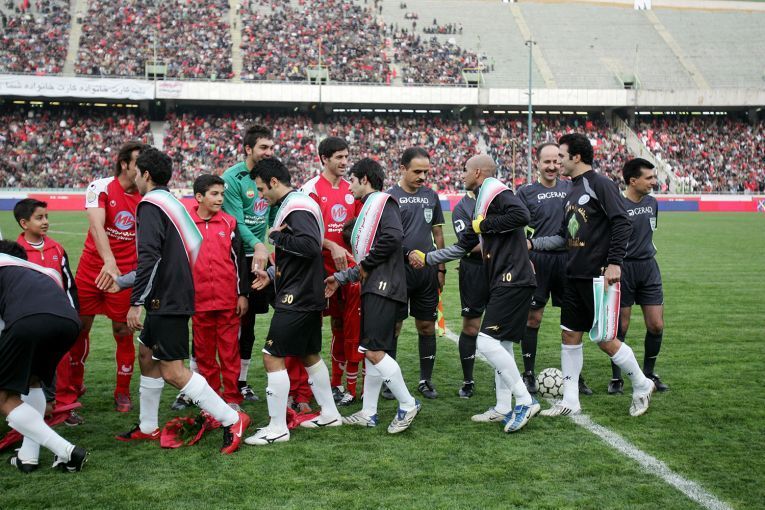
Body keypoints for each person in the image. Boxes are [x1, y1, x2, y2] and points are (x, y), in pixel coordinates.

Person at [116, 147, 249, 454]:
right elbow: (191, 246)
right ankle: (148, 427)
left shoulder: (151, 204)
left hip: (167, 298)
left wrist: (137, 301)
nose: (134, 178)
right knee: (147, 356)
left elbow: (150, 256)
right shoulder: (172, 203)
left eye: (136, 173)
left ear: (146, 174)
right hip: (171, 294)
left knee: (173, 370)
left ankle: (232, 419)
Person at [410, 154, 539, 433]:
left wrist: (485, 225)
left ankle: (525, 400)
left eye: (466, 170)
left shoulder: (497, 191)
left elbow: (522, 216)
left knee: (487, 341)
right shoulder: (482, 202)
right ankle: (503, 407)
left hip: (513, 279)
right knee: (502, 345)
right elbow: (461, 247)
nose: (462, 174)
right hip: (502, 280)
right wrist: (428, 258)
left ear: (478, 172)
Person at [531, 134, 656, 417]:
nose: (558, 162)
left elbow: (622, 222)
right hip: (573, 275)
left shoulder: (600, 184)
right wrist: (531, 243)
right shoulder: (572, 189)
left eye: (561, 156)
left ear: (576, 157)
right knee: (569, 335)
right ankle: (571, 401)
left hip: (597, 277)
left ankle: (641, 383)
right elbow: (564, 237)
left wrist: (614, 263)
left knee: (604, 339)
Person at [245, 158, 342, 446]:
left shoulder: (296, 207)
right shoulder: (296, 203)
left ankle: (277, 428)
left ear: (274, 182)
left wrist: (277, 237)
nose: (261, 195)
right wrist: (272, 274)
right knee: (309, 353)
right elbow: (298, 256)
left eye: (262, 189)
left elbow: (310, 247)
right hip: (306, 292)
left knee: (271, 355)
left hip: (298, 296)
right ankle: (330, 414)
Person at [325, 158, 422, 433]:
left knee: (374, 350)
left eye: (353, 181)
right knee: (370, 350)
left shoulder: (383, 203)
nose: (349, 187)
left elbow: (393, 238)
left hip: (384, 287)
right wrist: (341, 278)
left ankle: (408, 403)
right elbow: (371, 257)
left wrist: (365, 265)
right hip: (377, 286)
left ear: (364, 180)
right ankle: (368, 412)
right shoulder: (372, 207)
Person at [0, 240, 87, 473]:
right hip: (69, 323)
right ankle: (28, 457)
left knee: (4, 397)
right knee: (33, 381)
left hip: (29, 321)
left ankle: (66, 450)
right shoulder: (41, 270)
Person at [75, 141, 145, 413]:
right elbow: (96, 225)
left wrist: (124, 274)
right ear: (124, 164)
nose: (144, 169)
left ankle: (122, 391)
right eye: (139, 162)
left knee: (123, 330)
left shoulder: (146, 196)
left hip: (125, 275)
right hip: (92, 270)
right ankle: (74, 386)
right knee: (80, 327)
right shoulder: (100, 187)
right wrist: (108, 261)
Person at [519, 143, 592, 396]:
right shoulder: (525, 192)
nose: (552, 166)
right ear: (537, 163)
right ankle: (528, 373)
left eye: (556, 161)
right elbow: (517, 230)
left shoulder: (571, 188)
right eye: (546, 162)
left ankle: (575, 376)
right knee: (533, 318)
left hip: (568, 261)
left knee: (573, 322)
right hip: (537, 261)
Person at [301, 137, 363, 406]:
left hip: (347, 273)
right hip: (317, 270)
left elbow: (360, 228)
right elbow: (305, 230)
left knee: (344, 328)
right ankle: (304, 385)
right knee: (310, 328)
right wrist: (330, 245)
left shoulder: (352, 189)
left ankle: (338, 383)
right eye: (339, 157)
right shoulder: (311, 190)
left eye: (346, 156)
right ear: (324, 159)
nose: (344, 162)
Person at [13, 199, 81, 425]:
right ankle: (34, 409)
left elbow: (69, 285)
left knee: (62, 362)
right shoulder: (15, 252)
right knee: (31, 366)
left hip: (58, 318)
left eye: (46, 217)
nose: (45, 222)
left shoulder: (57, 248)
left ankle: (65, 406)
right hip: (30, 320)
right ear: (24, 223)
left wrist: (73, 313)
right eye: (39, 218)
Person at [386, 147, 446, 399]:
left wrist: (441, 268)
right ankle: (390, 381)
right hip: (397, 272)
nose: (422, 176)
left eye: (426, 172)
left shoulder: (431, 196)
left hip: (426, 274)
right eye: (417, 171)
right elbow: (386, 237)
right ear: (402, 168)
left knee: (427, 326)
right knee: (394, 327)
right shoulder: (389, 197)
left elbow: (438, 234)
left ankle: (425, 380)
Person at [221, 125, 274, 403]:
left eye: (271, 147)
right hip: (234, 256)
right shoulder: (232, 178)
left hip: (258, 257)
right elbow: (236, 222)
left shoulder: (271, 175)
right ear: (248, 149)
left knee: (249, 321)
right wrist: (258, 244)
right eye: (263, 147)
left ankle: (240, 381)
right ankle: (203, 380)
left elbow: (274, 214)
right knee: (225, 320)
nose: (269, 152)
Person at [608, 158, 669, 394]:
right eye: (649, 178)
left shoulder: (652, 202)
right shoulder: (616, 205)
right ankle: (616, 378)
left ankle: (649, 373)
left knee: (656, 325)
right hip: (623, 269)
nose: (654, 182)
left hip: (648, 267)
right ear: (633, 181)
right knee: (621, 326)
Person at [189, 175, 250, 408]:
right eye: (214, 194)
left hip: (228, 301)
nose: (220, 199)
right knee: (204, 354)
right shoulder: (185, 224)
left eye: (222, 194)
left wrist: (242, 293)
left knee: (229, 352)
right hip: (199, 301)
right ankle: (212, 399)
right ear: (199, 197)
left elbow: (240, 261)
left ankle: (232, 397)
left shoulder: (229, 222)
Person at [449, 188, 487, 399]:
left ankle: (503, 380)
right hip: (474, 269)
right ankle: (468, 381)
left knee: (499, 327)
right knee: (471, 327)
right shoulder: (462, 207)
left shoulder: (499, 198)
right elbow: (469, 245)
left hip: (501, 267)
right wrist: (500, 240)